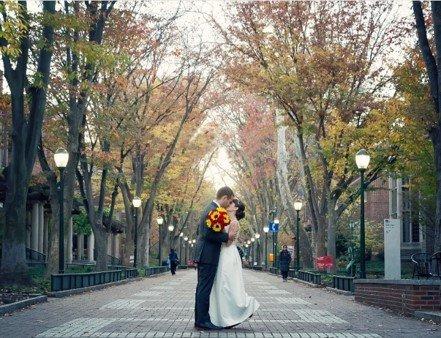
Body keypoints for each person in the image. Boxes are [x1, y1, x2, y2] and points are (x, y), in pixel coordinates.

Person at [209, 198, 259, 328]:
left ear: (235, 208)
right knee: (222, 285)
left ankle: (239, 310)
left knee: (227, 284)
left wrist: (218, 231)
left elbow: (228, 242)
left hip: (228, 254)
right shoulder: (225, 219)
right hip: (223, 254)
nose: (228, 204)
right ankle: (223, 315)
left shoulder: (234, 222)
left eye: (231, 203)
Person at [193, 187, 238, 330]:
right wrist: (227, 237)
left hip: (207, 254)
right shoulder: (213, 210)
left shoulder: (211, 208)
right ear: (224, 197)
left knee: (202, 288)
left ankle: (201, 319)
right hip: (207, 254)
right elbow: (207, 234)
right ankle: (202, 321)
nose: (229, 204)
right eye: (229, 201)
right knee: (204, 289)